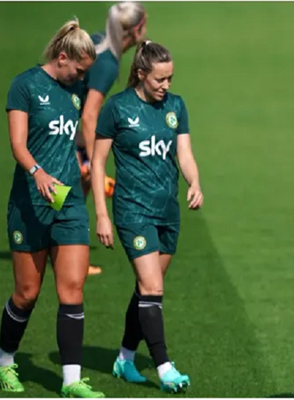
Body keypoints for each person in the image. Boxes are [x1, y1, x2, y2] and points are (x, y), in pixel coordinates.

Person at [0, 18, 105, 398]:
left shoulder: (75, 90)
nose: (82, 79)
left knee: (72, 289)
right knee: (27, 293)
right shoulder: (25, 86)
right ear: (62, 58)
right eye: (79, 70)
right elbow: (18, 145)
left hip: (68, 202)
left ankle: (71, 380)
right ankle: (5, 362)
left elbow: (82, 129)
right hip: (30, 202)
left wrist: (89, 164)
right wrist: (38, 173)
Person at [91, 40, 202, 393]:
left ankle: (125, 358)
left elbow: (184, 153)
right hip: (133, 211)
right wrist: (102, 215)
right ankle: (165, 367)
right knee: (153, 287)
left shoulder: (176, 106)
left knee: (145, 290)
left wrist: (194, 182)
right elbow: (97, 163)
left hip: (168, 213)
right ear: (141, 74)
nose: (166, 85)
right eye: (159, 79)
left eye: (170, 78)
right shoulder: (117, 108)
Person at [77, 1, 147, 276]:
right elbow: (89, 115)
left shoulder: (97, 42)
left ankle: (63, 254)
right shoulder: (107, 64)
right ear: (136, 29)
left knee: (71, 197)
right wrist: (95, 162)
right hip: (67, 136)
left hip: (62, 129)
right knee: (70, 197)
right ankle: (66, 258)